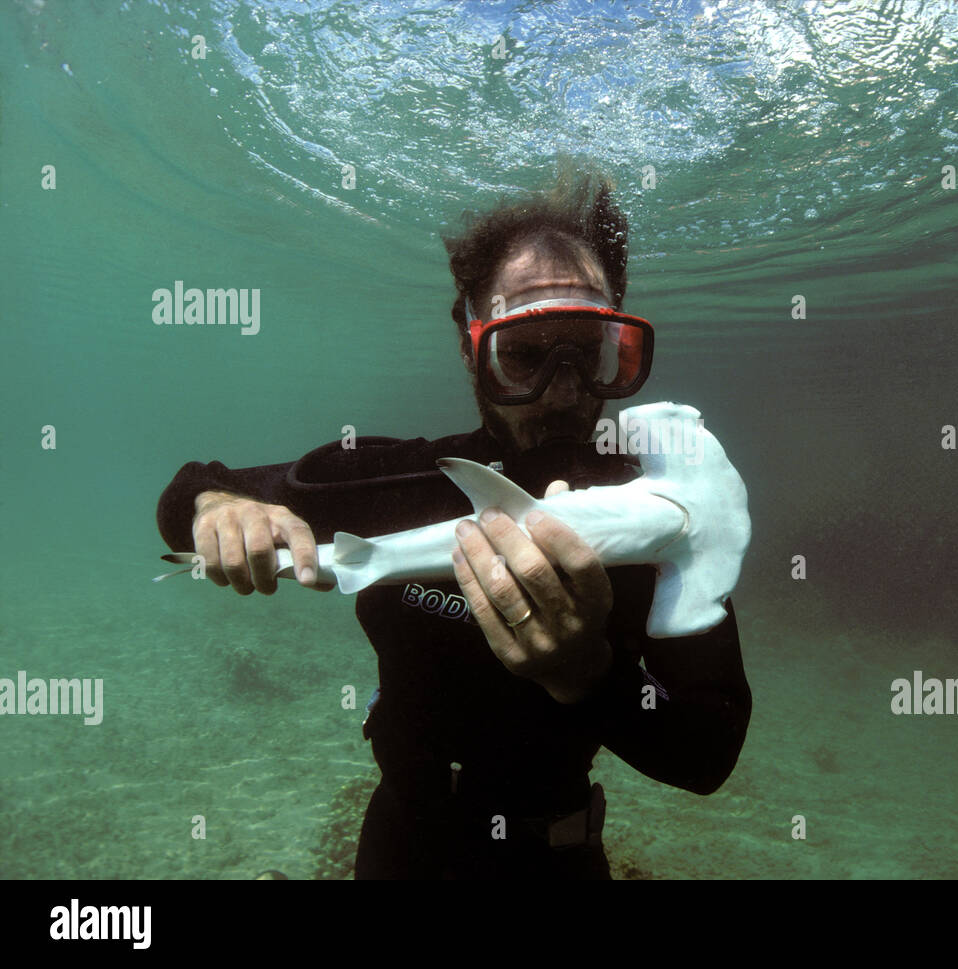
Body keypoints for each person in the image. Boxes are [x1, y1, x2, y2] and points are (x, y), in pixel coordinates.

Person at [155, 170, 752, 879]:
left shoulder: (659, 525)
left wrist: (588, 674)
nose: (563, 392)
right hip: (400, 845)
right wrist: (219, 510)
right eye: (525, 355)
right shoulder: (400, 481)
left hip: (553, 859)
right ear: (473, 351)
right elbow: (192, 490)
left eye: (587, 354)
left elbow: (708, 752)